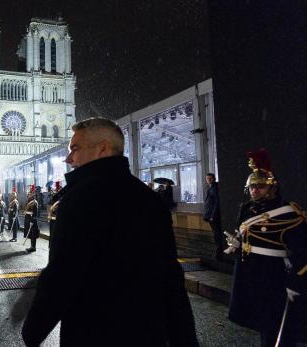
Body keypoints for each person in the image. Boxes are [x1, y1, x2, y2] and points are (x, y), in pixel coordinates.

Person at [22, 117, 197, 346]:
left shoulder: (79, 199)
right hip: (147, 333)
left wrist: (33, 330)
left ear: (102, 149)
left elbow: (63, 274)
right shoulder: (149, 200)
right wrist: (185, 339)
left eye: (75, 148)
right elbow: (171, 278)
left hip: (93, 332)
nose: (68, 159)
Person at [225, 149, 307, 346]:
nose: (255, 190)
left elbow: (302, 249)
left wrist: (296, 281)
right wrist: (237, 246)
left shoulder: (288, 213)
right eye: (252, 187)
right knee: (262, 321)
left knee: (277, 326)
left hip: (274, 276)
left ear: (272, 188)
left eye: (260, 187)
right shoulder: (248, 209)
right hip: (251, 273)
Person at [203, 173, 224, 260]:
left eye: (210, 179)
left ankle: (219, 252)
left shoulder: (214, 188)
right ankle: (218, 251)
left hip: (213, 215)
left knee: (217, 234)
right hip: (210, 214)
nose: (208, 180)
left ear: (214, 179)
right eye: (207, 179)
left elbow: (216, 203)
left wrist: (213, 215)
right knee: (216, 234)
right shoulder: (210, 187)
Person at [23, 185, 40, 253]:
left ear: (33, 195)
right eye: (28, 193)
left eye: (29, 194)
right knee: (31, 234)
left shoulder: (34, 202)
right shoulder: (29, 202)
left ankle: (33, 247)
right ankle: (32, 246)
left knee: (33, 234)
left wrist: (32, 220)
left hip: (33, 220)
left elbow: (35, 213)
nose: (28, 195)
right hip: (29, 219)